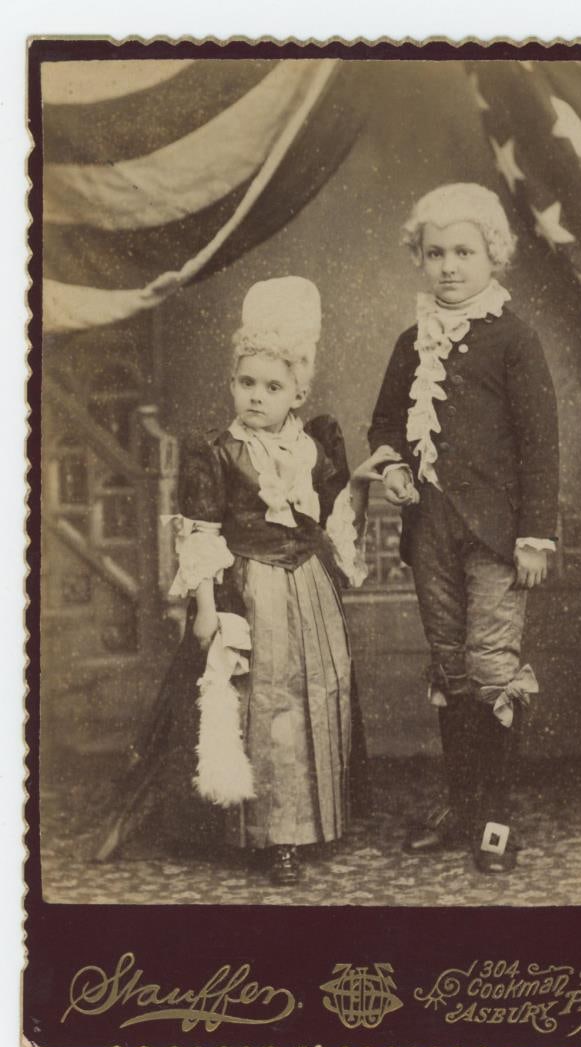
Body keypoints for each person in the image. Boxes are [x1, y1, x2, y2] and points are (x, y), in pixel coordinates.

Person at [96, 276, 397, 886]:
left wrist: (361, 481)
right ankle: (264, 835)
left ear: (298, 391)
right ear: (232, 382)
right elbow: (201, 532)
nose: (256, 396)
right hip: (248, 591)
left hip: (308, 589)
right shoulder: (217, 451)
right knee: (263, 703)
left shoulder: (316, 445)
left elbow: (332, 518)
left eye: (273, 386)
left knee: (314, 696)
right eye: (246, 383)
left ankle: (308, 826)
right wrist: (205, 608)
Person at [368, 184, 559, 873]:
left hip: (499, 535)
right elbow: (386, 423)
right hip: (432, 532)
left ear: (492, 256)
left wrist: (536, 534)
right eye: (436, 252)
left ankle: (497, 817)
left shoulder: (513, 336)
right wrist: (391, 467)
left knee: (492, 668)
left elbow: (541, 441)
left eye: (464, 252)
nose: (450, 265)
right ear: (420, 258)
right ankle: (462, 802)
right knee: (450, 666)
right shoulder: (408, 341)